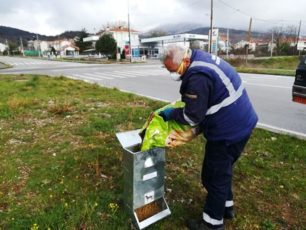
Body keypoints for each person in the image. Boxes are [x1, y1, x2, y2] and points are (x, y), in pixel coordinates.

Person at [159, 44, 258, 230]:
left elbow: (191, 116)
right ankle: (226, 208)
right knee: (222, 171)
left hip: (228, 131)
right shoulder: (200, 58)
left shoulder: (197, 77)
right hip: (241, 123)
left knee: (212, 177)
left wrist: (170, 113)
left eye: (173, 70)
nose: (173, 75)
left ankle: (212, 224)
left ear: (185, 60)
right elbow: (207, 107)